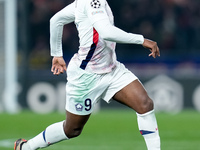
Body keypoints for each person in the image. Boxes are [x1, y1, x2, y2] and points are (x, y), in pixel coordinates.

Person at [14, 0, 161, 149]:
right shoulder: (93, 2)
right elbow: (107, 32)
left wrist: (57, 54)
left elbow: (57, 20)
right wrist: (142, 40)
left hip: (112, 69)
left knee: (144, 104)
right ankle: (26, 147)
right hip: (86, 76)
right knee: (72, 129)